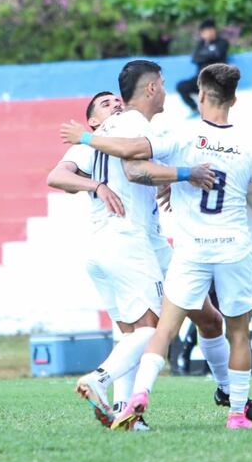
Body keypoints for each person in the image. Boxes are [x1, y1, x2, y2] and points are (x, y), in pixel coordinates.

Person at [66, 63, 252, 430]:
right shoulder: (140, 125)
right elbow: (136, 170)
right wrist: (184, 175)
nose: (167, 90)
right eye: (163, 84)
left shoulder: (149, 132)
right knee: (154, 331)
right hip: (139, 242)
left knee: (204, 320)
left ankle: (218, 392)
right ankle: (105, 383)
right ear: (151, 89)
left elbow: (101, 171)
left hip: (151, 244)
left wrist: (152, 181)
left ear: (201, 95)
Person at [48, 89, 217, 430]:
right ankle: (99, 378)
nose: (116, 105)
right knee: (153, 331)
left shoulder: (121, 138)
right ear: (93, 121)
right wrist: (96, 186)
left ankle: (128, 416)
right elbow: (56, 177)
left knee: (134, 336)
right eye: (105, 104)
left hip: (112, 247)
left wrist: (164, 180)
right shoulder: (92, 143)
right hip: (125, 243)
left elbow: (142, 169)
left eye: (117, 101)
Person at [177, 19, 229, 114]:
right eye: (205, 31)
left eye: (210, 30)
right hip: (200, 79)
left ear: (214, 30)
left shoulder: (222, 42)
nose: (208, 33)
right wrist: (208, 54)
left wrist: (204, 55)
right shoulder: (200, 44)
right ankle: (194, 109)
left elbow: (217, 54)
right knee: (181, 86)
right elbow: (194, 58)